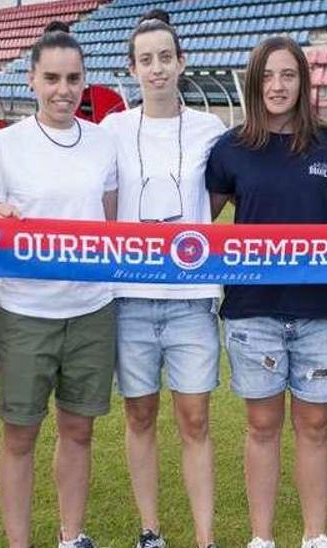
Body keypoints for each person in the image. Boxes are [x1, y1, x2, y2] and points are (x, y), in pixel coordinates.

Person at [206, 36, 327, 548]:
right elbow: (197, 228)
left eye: (288, 75)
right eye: (267, 76)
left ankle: (314, 536)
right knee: (261, 426)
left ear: (303, 81)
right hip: (252, 310)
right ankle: (261, 538)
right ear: (254, 83)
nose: (277, 86)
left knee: (315, 425)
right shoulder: (231, 148)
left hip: (321, 311)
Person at [0, 21, 119, 548]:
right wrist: (1, 216)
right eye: (52, 78)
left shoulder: (103, 144)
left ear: (85, 82)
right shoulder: (8, 145)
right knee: (20, 434)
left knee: (79, 431)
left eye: (73, 78)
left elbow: (110, 226)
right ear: (32, 79)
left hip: (91, 311)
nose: (63, 90)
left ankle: (71, 535)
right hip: (26, 311)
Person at [98, 9, 227, 548]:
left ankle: (204, 538)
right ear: (132, 69)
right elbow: (103, 206)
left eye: (165, 58)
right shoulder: (111, 129)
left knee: (195, 418)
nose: (157, 69)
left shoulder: (210, 129)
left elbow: (214, 202)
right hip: (130, 296)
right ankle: (151, 531)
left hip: (193, 299)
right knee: (140, 414)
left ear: (182, 62)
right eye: (146, 60)